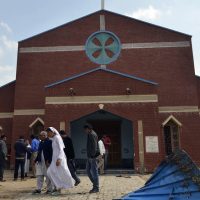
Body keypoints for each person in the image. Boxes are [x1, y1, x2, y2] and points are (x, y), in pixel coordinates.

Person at [46, 127, 74, 196]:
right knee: (50, 172)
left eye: (49, 132)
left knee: (59, 173)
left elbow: (61, 149)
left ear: (53, 132)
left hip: (59, 159)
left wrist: (59, 159)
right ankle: (57, 187)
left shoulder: (58, 138)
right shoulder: (54, 138)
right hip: (54, 159)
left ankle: (58, 188)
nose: (48, 134)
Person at [83, 123, 99, 193]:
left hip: (92, 157)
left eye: (85, 130)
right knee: (88, 171)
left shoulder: (92, 134)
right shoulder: (90, 134)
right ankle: (95, 185)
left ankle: (96, 187)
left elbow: (94, 146)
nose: (85, 131)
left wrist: (93, 155)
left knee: (94, 172)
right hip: (90, 156)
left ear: (89, 129)